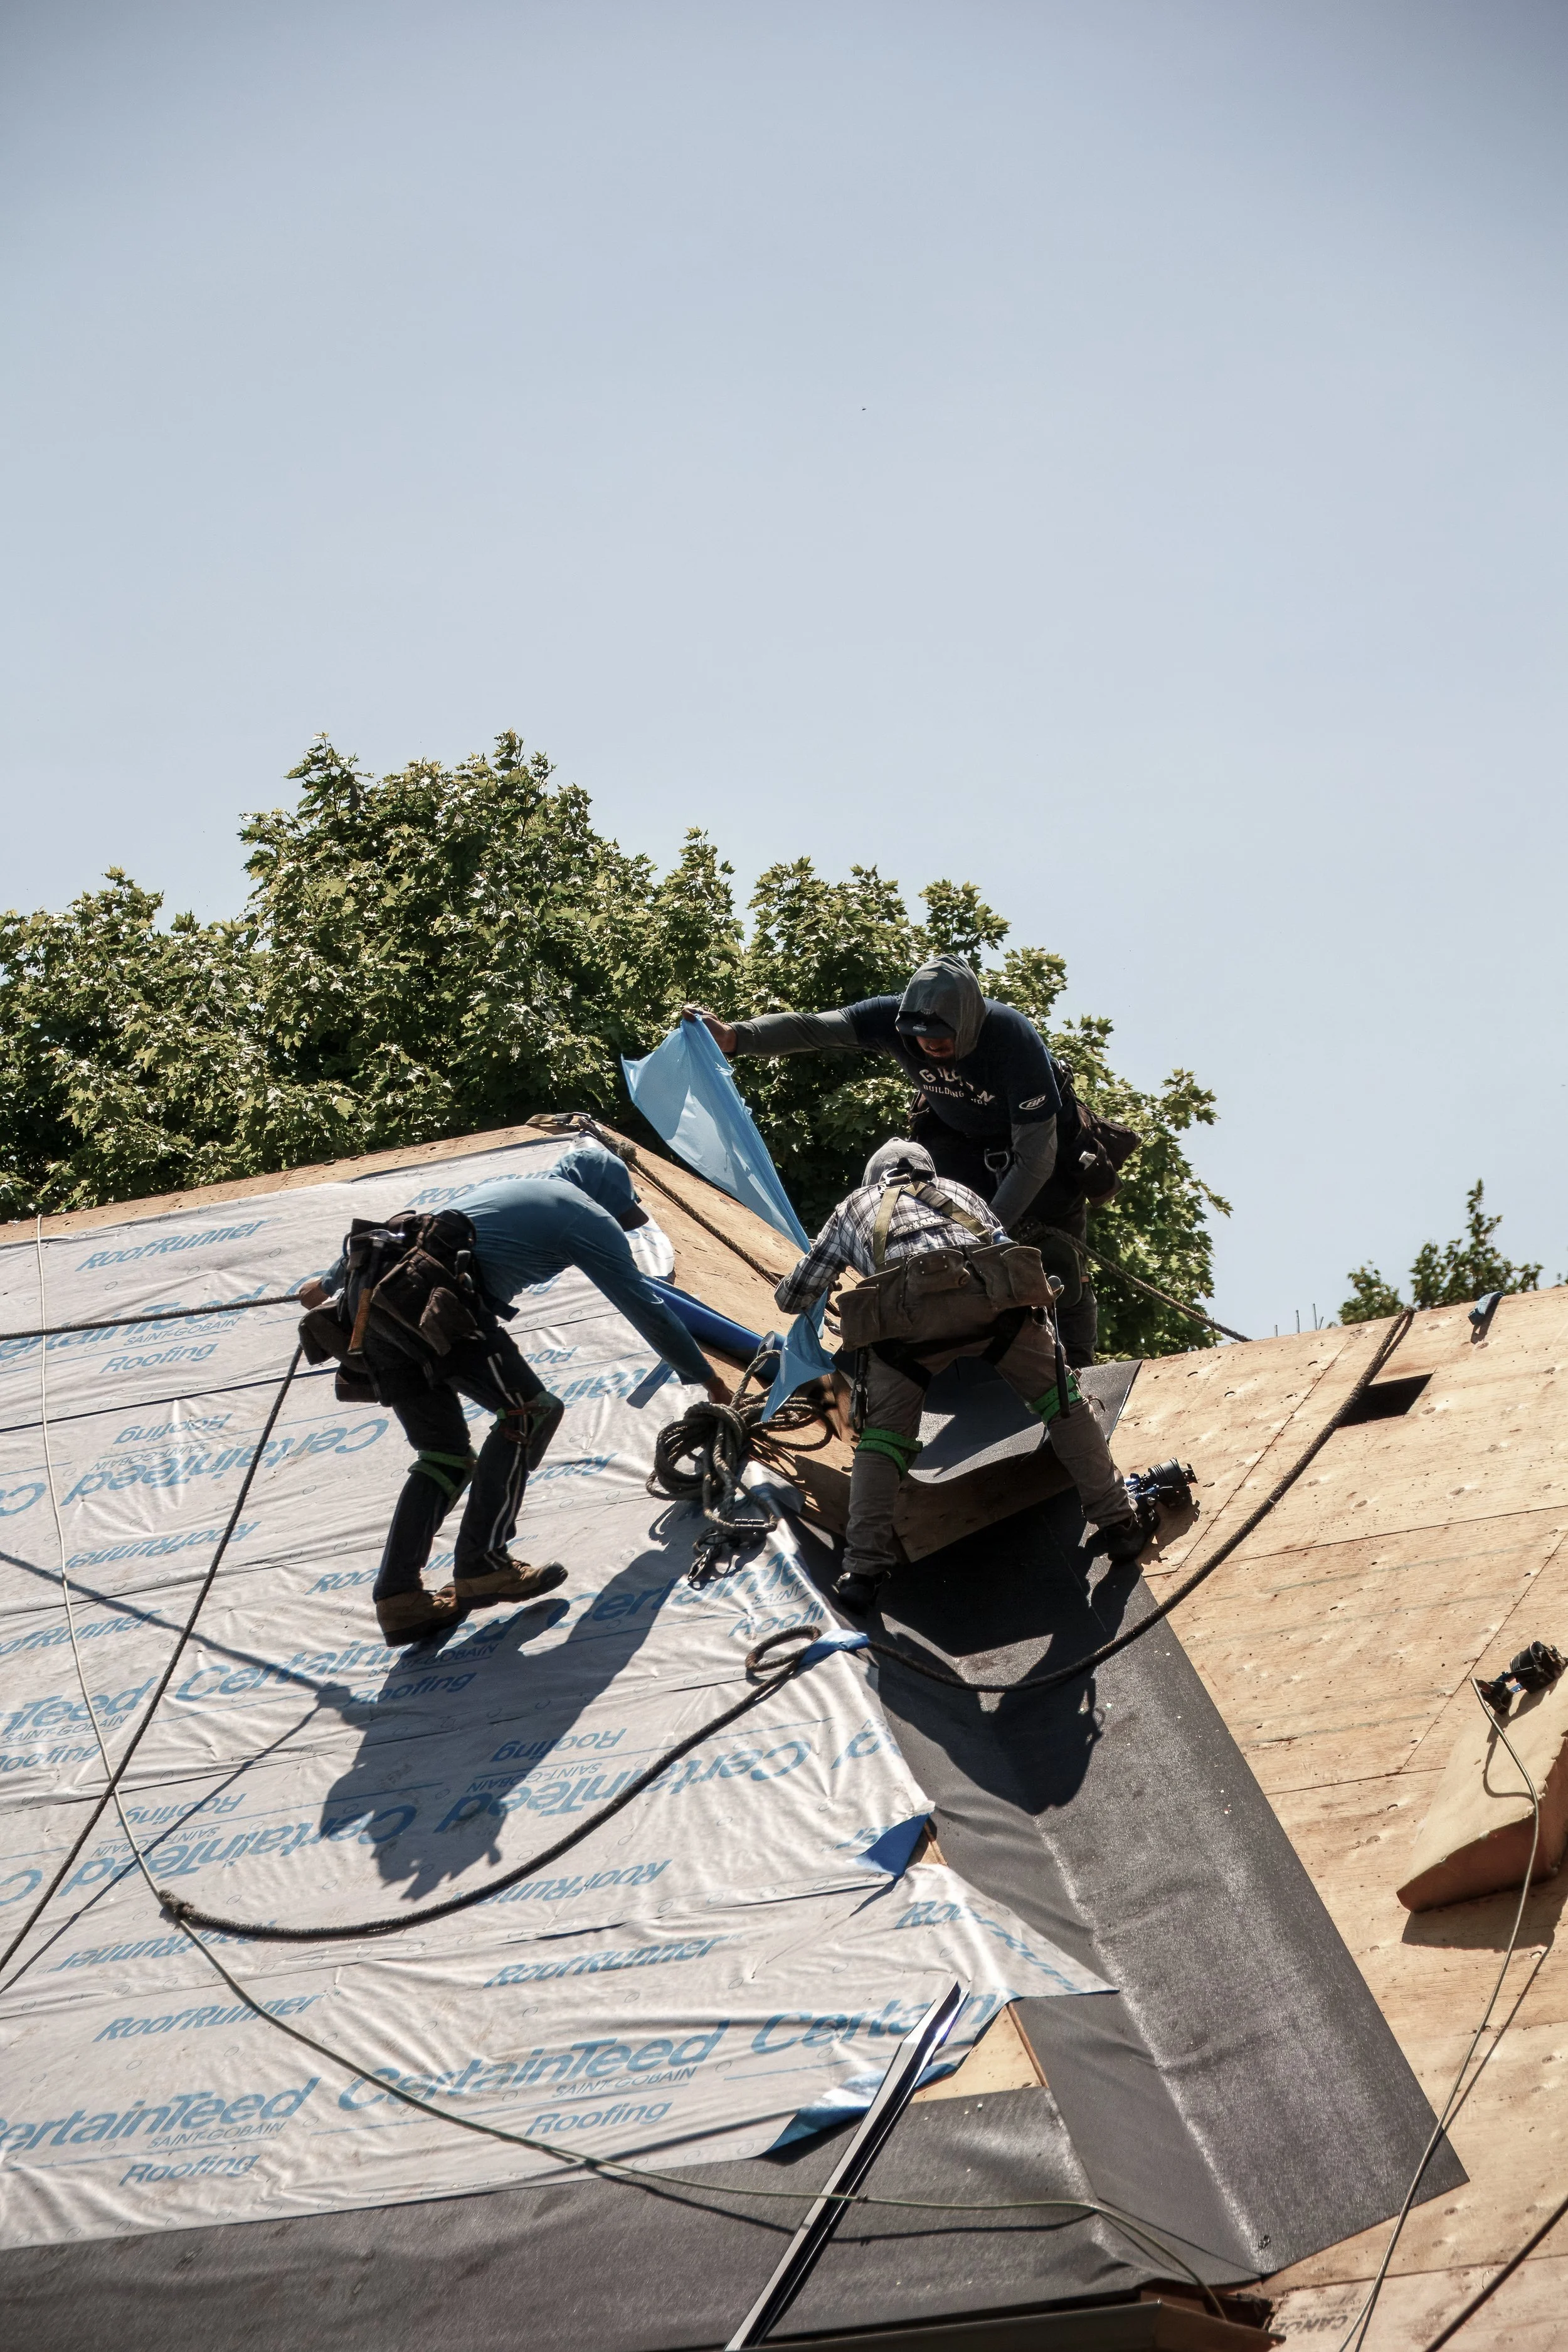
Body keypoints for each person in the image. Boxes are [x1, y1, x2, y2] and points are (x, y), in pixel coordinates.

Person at [299, 1143, 732, 1646]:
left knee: (444, 1455)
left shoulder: (509, 1189)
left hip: (369, 1309)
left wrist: (329, 1280)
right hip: (434, 1308)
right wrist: (708, 1379)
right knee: (529, 1412)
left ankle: (399, 1599)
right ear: (603, 1197)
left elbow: (406, 1233)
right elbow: (643, 1304)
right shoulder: (585, 1215)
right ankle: (483, 1563)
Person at [686, 954, 1121, 1366]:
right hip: (961, 1147)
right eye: (920, 1036)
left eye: (942, 1037)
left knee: (1057, 1264)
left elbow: (1035, 1159)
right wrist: (737, 1037)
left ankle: (1078, 1368)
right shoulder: (891, 1019)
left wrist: (986, 1237)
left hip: (1042, 1159)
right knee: (935, 1244)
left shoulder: (1011, 1038)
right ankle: (960, 1360)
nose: (929, 1045)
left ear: (969, 1023)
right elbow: (814, 1029)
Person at [775, 1139, 1145, 1613]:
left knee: (882, 1444)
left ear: (872, 1179)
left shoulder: (853, 1207)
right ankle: (1119, 1525)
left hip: (905, 1332)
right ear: (928, 1172)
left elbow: (796, 1297)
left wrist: (797, 1290)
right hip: (991, 1310)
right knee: (1063, 1404)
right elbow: (1005, 1253)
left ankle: (862, 1572)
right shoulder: (960, 1192)